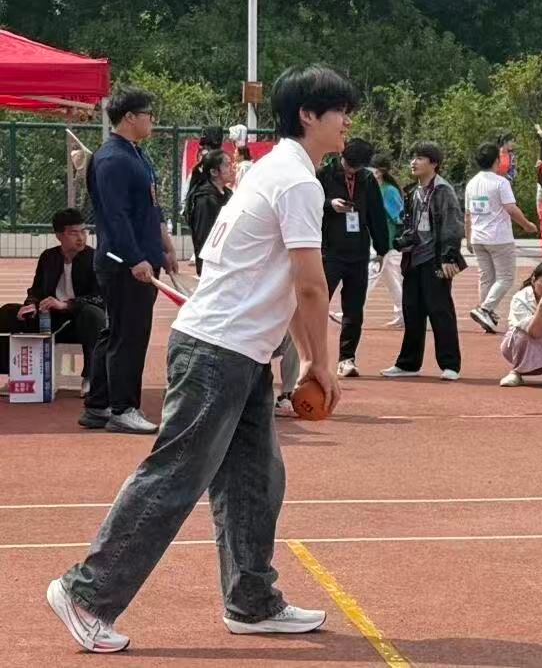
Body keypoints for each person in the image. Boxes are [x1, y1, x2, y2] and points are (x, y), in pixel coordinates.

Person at [47, 64, 351, 654]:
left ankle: (252, 601)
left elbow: (288, 286)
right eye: (340, 111)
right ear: (308, 115)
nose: (347, 122)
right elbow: (312, 287)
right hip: (219, 351)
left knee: (256, 480)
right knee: (175, 477)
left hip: (237, 352)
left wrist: (311, 358)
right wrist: (323, 364)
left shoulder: (272, 172)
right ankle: (86, 593)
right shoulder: (297, 182)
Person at [80, 87, 177, 435]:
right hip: (124, 264)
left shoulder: (136, 154)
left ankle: (99, 404)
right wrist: (136, 258)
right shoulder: (112, 159)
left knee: (117, 332)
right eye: (148, 114)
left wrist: (165, 245)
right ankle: (123, 408)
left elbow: (151, 205)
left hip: (141, 258)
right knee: (130, 336)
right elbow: (115, 215)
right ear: (130, 117)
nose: (153, 120)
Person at [0, 208, 105, 398]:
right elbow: (36, 290)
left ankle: (90, 377)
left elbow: (100, 297)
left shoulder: (95, 258)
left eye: (84, 231)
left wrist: (67, 305)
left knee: (93, 314)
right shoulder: (48, 257)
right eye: (73, 233)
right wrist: (31, 304)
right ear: (59, 236)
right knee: (8, 312)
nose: (81, 237)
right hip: (50, 319)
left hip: (79, 320)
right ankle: (13, 375)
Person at [382, 142, 466, 379]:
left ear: (434, 164)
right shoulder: (412, 191)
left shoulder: (443, 191)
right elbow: (408, 223)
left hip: (435, 259)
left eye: (420, 158)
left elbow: (452, 225)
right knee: (412, 311)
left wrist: (449, 256)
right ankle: (408, 364)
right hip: (413, 259)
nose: (413, 162)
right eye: (413, 157)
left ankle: (450, 364)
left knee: (440, 311)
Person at [317, 137, 390, 377]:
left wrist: (381, 249)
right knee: (317, 304)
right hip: (329, 251)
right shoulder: (324, 174)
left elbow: (377, 215)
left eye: (356, 167)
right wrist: (330, 204)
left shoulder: (367, 180)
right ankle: (312, 357)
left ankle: (347, 358)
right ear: (342, 156)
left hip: (358, 252)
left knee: (354, 309)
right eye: (349, 165)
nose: (351, 170)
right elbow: (309, 204)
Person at [465, 141, 537, 334]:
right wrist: (527, 225)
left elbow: (468, 215)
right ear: (497, 160)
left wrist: (468, 237)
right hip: (498, 238)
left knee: (486, 277)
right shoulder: (500, 182)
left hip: (478, 237)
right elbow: (511, 208)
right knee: (506, 277)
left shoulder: (471, 184)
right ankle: (485, 308)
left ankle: (486, 313)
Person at [368, 154, 405, 328]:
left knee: (369, 275)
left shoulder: (389, 191)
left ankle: (351, 311)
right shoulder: (370, 188)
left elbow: (399, 217)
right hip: (374, 240)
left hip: (388, 242)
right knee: (393, 280)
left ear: (380, 171)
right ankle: (404, 313)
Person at [185, 150, 234, 276]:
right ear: (214, 172)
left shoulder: (229, 194)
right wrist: (205, 268)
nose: (232, 168)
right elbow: (203, 236)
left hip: (229, 262)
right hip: (212, 267)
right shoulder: (204, 199)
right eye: (227, 165)